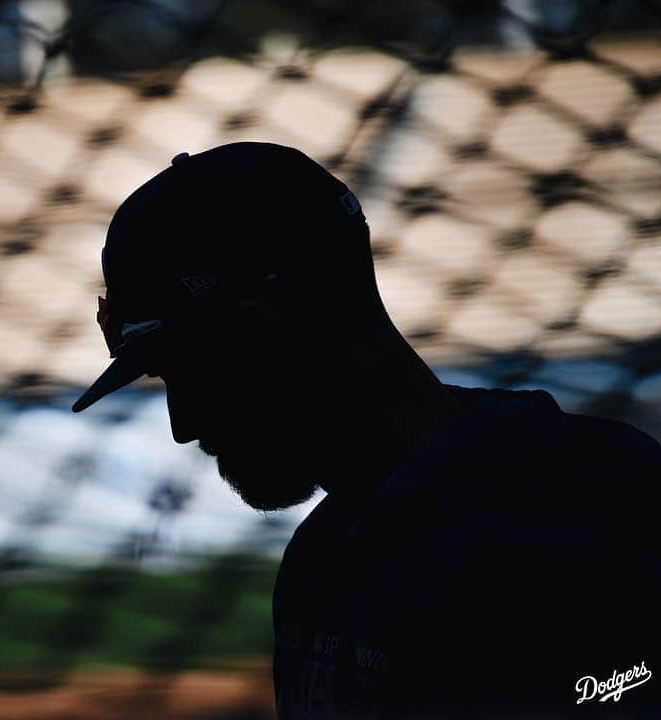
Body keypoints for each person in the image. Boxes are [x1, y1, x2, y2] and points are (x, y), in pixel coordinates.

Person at [70, 142, 661, 717]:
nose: (183, 426)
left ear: (258, 340)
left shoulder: (587, 525)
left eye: (188, 377)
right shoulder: (323, 554)